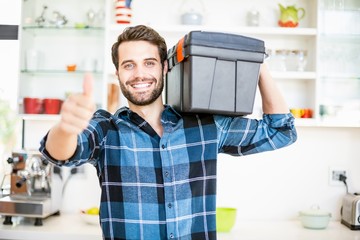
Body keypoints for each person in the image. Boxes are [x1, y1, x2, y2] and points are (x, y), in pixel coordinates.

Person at [39, 25, 297, 240]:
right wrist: (66, 128)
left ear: (164, 67)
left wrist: (257, 59)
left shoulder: (205, 125)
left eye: (148, 63)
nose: (139, 74)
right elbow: (60, 154)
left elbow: (281, 130)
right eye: (129, 65)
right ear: (117, 73)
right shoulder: (106, 129)